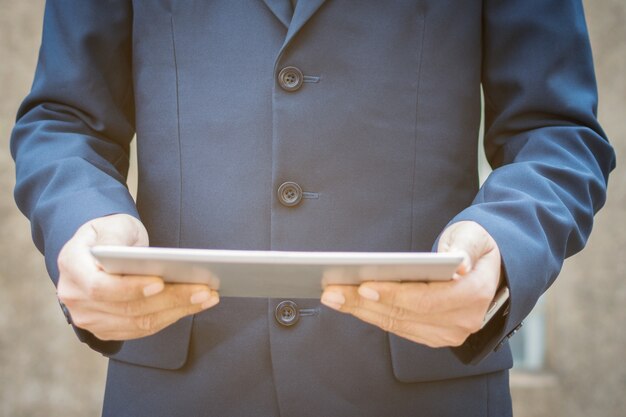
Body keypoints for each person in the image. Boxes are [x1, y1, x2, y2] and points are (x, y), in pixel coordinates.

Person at [11, 1, 615, 416]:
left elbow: (557, 132)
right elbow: (65, 120)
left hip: (422, 393)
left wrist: (504, 246)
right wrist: (82, 222)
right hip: (178, 391)